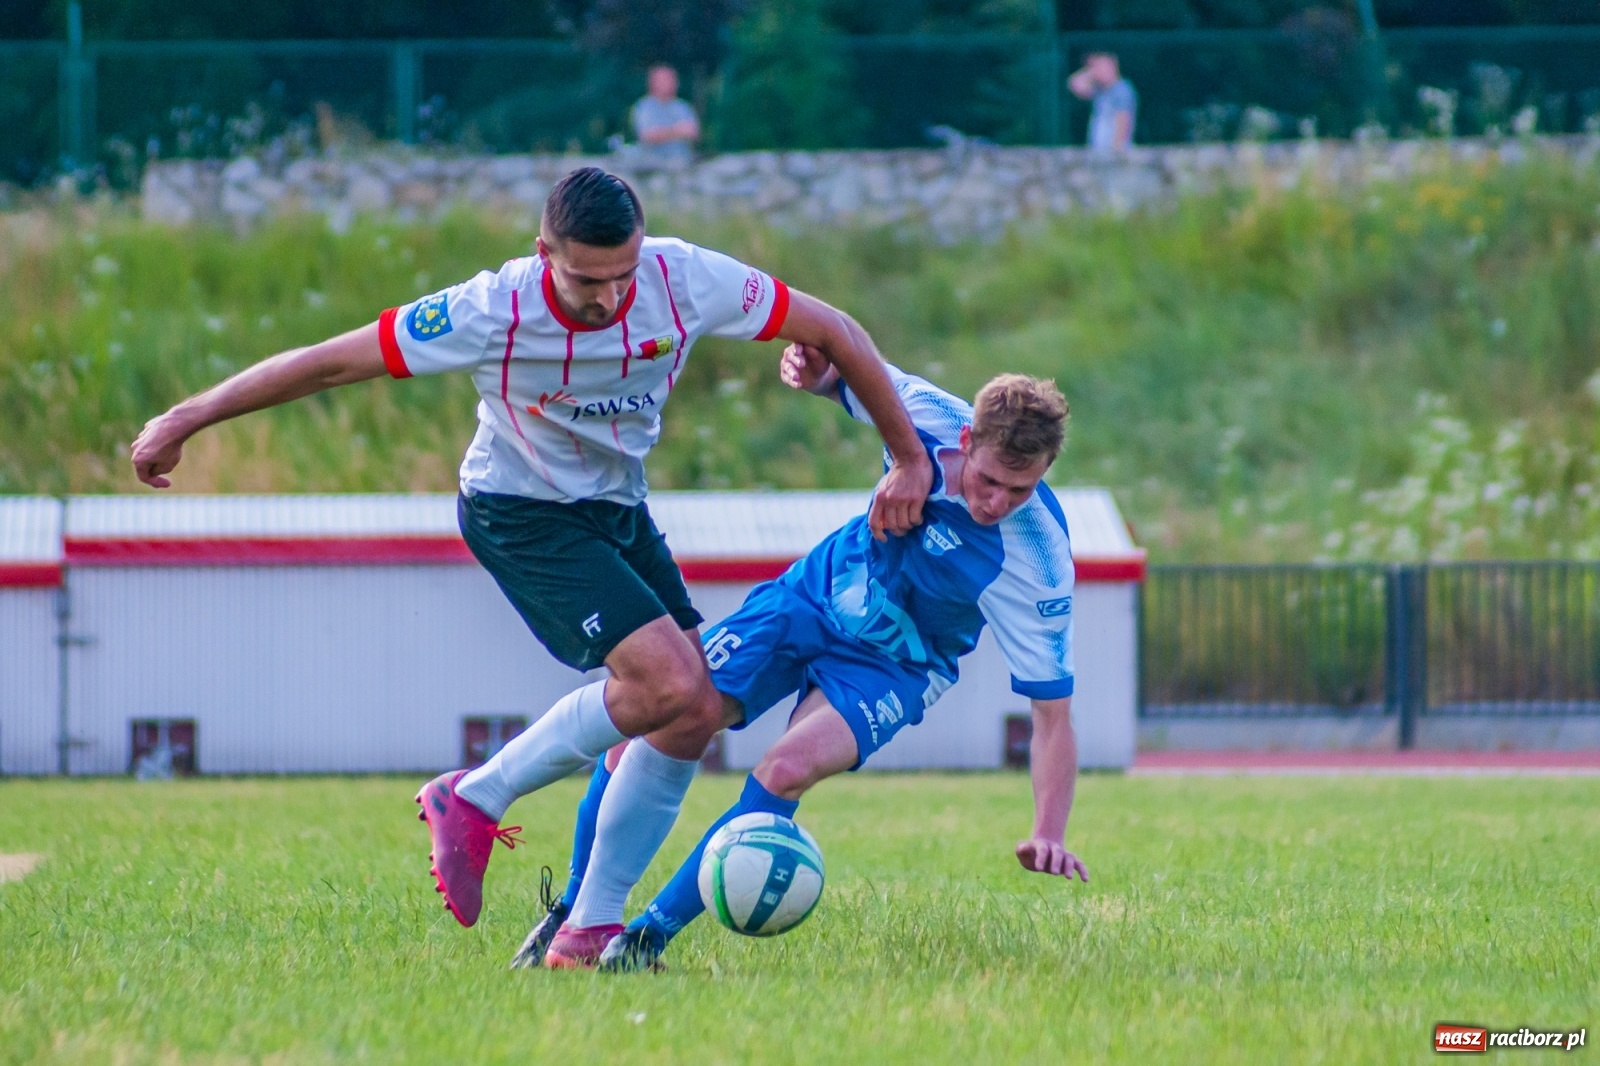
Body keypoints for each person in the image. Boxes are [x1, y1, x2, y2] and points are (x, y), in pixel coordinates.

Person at [129, 167, 934, 965]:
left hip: (617, 508)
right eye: (587, 280)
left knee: (692, 713)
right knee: (667, 687)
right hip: (518, 511)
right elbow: (331, 362)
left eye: (623, 276)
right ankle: (475, 794)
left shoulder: (685, 278)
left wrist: (907, 459)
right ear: (542, 250)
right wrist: (186, 417)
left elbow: (836, 331)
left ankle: (588, 931)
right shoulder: (490, 308)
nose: (610, 298)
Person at [512, 345, 1087, 972]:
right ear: (967, 438)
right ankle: (575, 914)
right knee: (669, 716)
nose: (997, 502)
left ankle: (644, 942)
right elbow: (847, 365)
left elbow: (1052, 715)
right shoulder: (925, 414)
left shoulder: (1039, 558)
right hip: (809, 599)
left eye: (1020, 489)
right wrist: (816, 376)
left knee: (785, 769)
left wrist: (1048, 832)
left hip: (895, 668)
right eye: (988, 480)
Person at [630, 65, 700, 169]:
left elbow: (693, 133)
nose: (671, 83)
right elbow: (647, 136)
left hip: (683, 163)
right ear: (653, 83)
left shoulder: (683, 107)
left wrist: (665, 133)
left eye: (672, 79)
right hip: (653, 166)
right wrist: (678, 131)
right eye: (665, 80)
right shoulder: (644, 107)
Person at [1068, 52, 1137, 153]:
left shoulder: (1122, 90)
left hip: (1114, 154)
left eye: (1101, 66)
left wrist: (1116, 150)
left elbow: (1123, 120)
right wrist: (1090, 72)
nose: (1098, 70)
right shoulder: (1100, 90)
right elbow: (1074, 85)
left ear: (1112, 65)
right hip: (1099, 152)